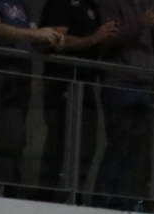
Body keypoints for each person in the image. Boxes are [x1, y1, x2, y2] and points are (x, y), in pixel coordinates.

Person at [0, 0, 64, 197]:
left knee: (17, 138)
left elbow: (34, 36)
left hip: (22, 77)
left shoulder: (21, 4)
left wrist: (50, 39)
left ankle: (3, 190)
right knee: (10, 135)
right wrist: (36, 35)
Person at [94, 0, 154, 210]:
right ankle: (105, 200)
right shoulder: (112, 3)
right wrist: (142, 22)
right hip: (120, 81)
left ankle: (125, 199)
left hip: (145, 83)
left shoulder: (147, 4)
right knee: (120, 141)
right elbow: (108, 37)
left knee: (138, 148)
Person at [37, 0, 117, 197]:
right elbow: (57, 39)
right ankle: (47, 194)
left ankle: (77, 195)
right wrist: (94, 38)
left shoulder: (92, 5)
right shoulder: (60, 3)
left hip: (86, 84)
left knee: (87, 143)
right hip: (63, 81)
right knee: (59, 140)